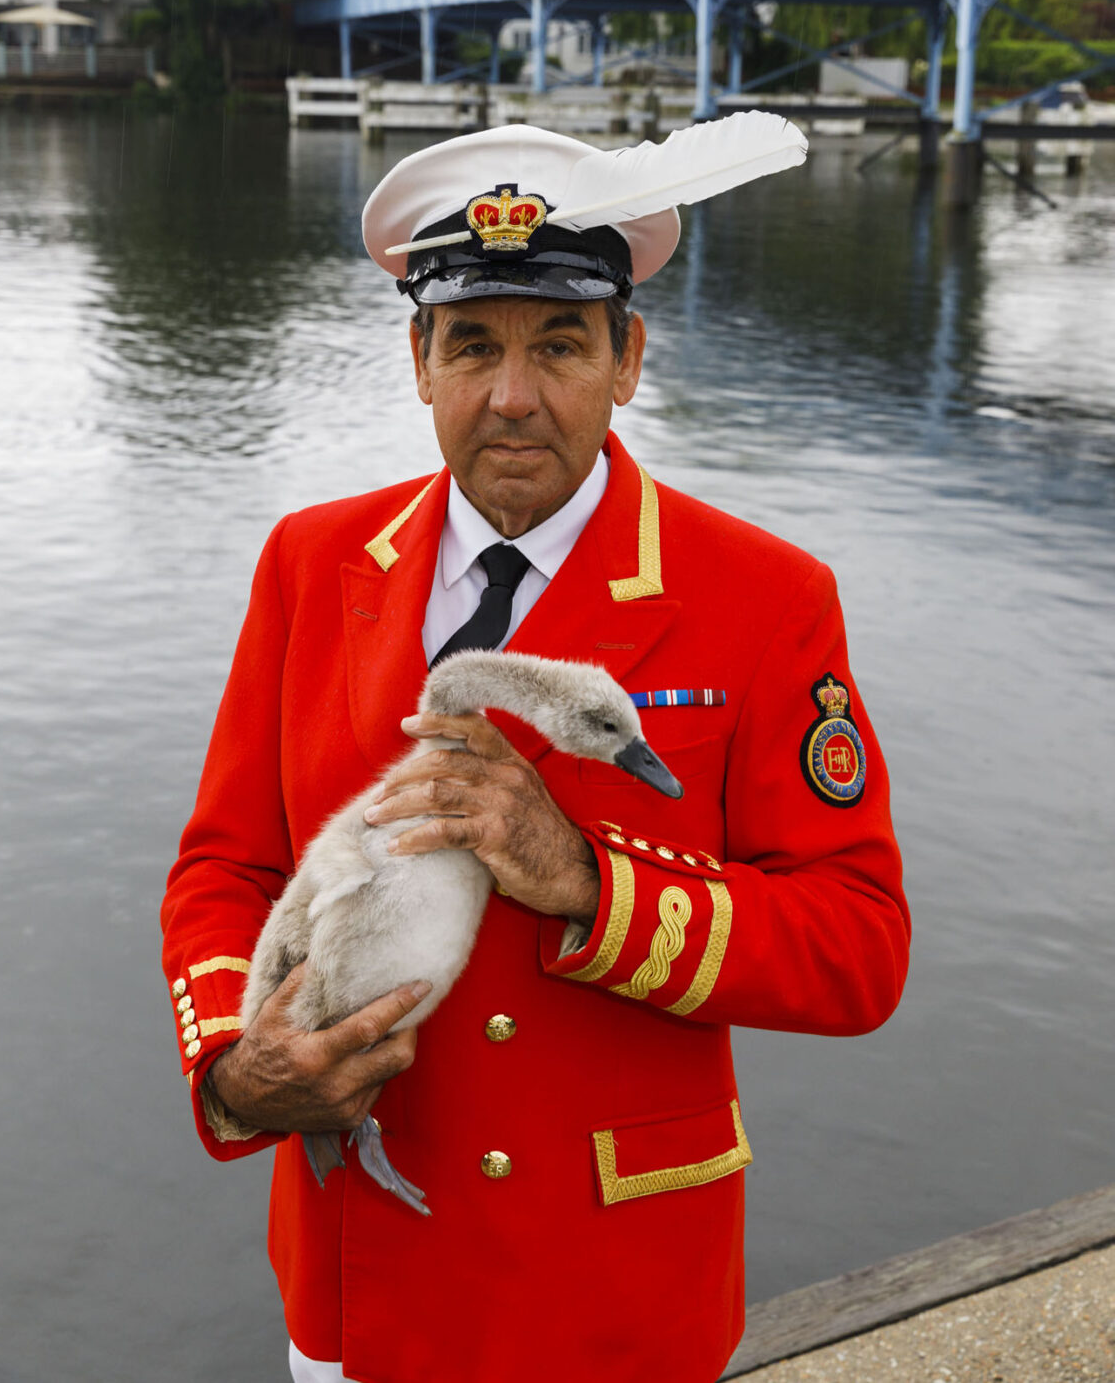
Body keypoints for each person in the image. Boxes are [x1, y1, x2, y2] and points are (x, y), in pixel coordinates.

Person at [161, 122, 909, 1383]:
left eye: (558, 343)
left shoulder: (764, 597)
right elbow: (226, 867)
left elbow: (857, 948)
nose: (512, 395)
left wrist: (588, 881)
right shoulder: (310, 563)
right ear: (418, 362)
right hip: (363, 1278)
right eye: (472, 344)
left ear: (627, 359)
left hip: (610, 1290)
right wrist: (239, 1065)